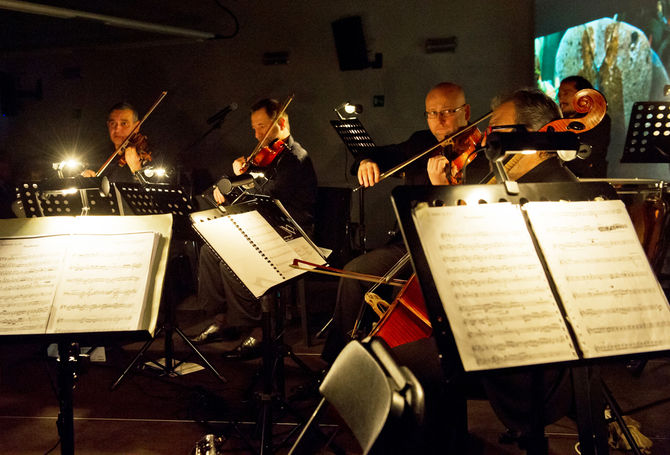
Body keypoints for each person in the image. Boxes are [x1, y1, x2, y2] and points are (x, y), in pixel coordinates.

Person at [391, 89, 592, 454]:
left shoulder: (556, 190)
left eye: (498, 128)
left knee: (404, 359)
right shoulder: (510, 179)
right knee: (404, 347)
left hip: (529, 347)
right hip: (497, 319)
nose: (488, 137)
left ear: (536, 132)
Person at [321, 82, 471, 363]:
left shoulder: (481, 152)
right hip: (408, 244)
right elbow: (379, 154)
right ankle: (339, 362)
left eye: (448, 112)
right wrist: (366, 160)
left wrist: (443, 186)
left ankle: (400, 362)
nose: (438, 121)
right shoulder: (420, 142)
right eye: (431, 113)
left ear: (467, 112)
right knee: (354, 274)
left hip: (451, 253)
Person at [192, 98, 318, 360]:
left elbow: (267, 194)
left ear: (281, 123)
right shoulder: (266, 157)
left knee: (232, 261)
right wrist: (232, 178)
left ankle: (259, 328)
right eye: (254, 128)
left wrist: (240, 182)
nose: (257, 134)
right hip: (263, 228)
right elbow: (250, 189)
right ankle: (222, 319)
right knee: (208, 250)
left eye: (262, 127)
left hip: (290, 233)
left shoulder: (295, 158)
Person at [557, 75, 611, 178]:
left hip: (588, 181)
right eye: (559, 95)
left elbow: (590, 154)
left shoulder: (598, 120)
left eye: (566, 93)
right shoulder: (559, 121)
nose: (561, 98)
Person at [82, 102, 149, 182]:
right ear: (108, 125)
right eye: (113, 123)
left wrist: (137, 170)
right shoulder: (97, 157)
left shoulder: (150, 156)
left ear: (137, 126)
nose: (117, 129)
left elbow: (156, 190)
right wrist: (84, 181)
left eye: (124, 123)